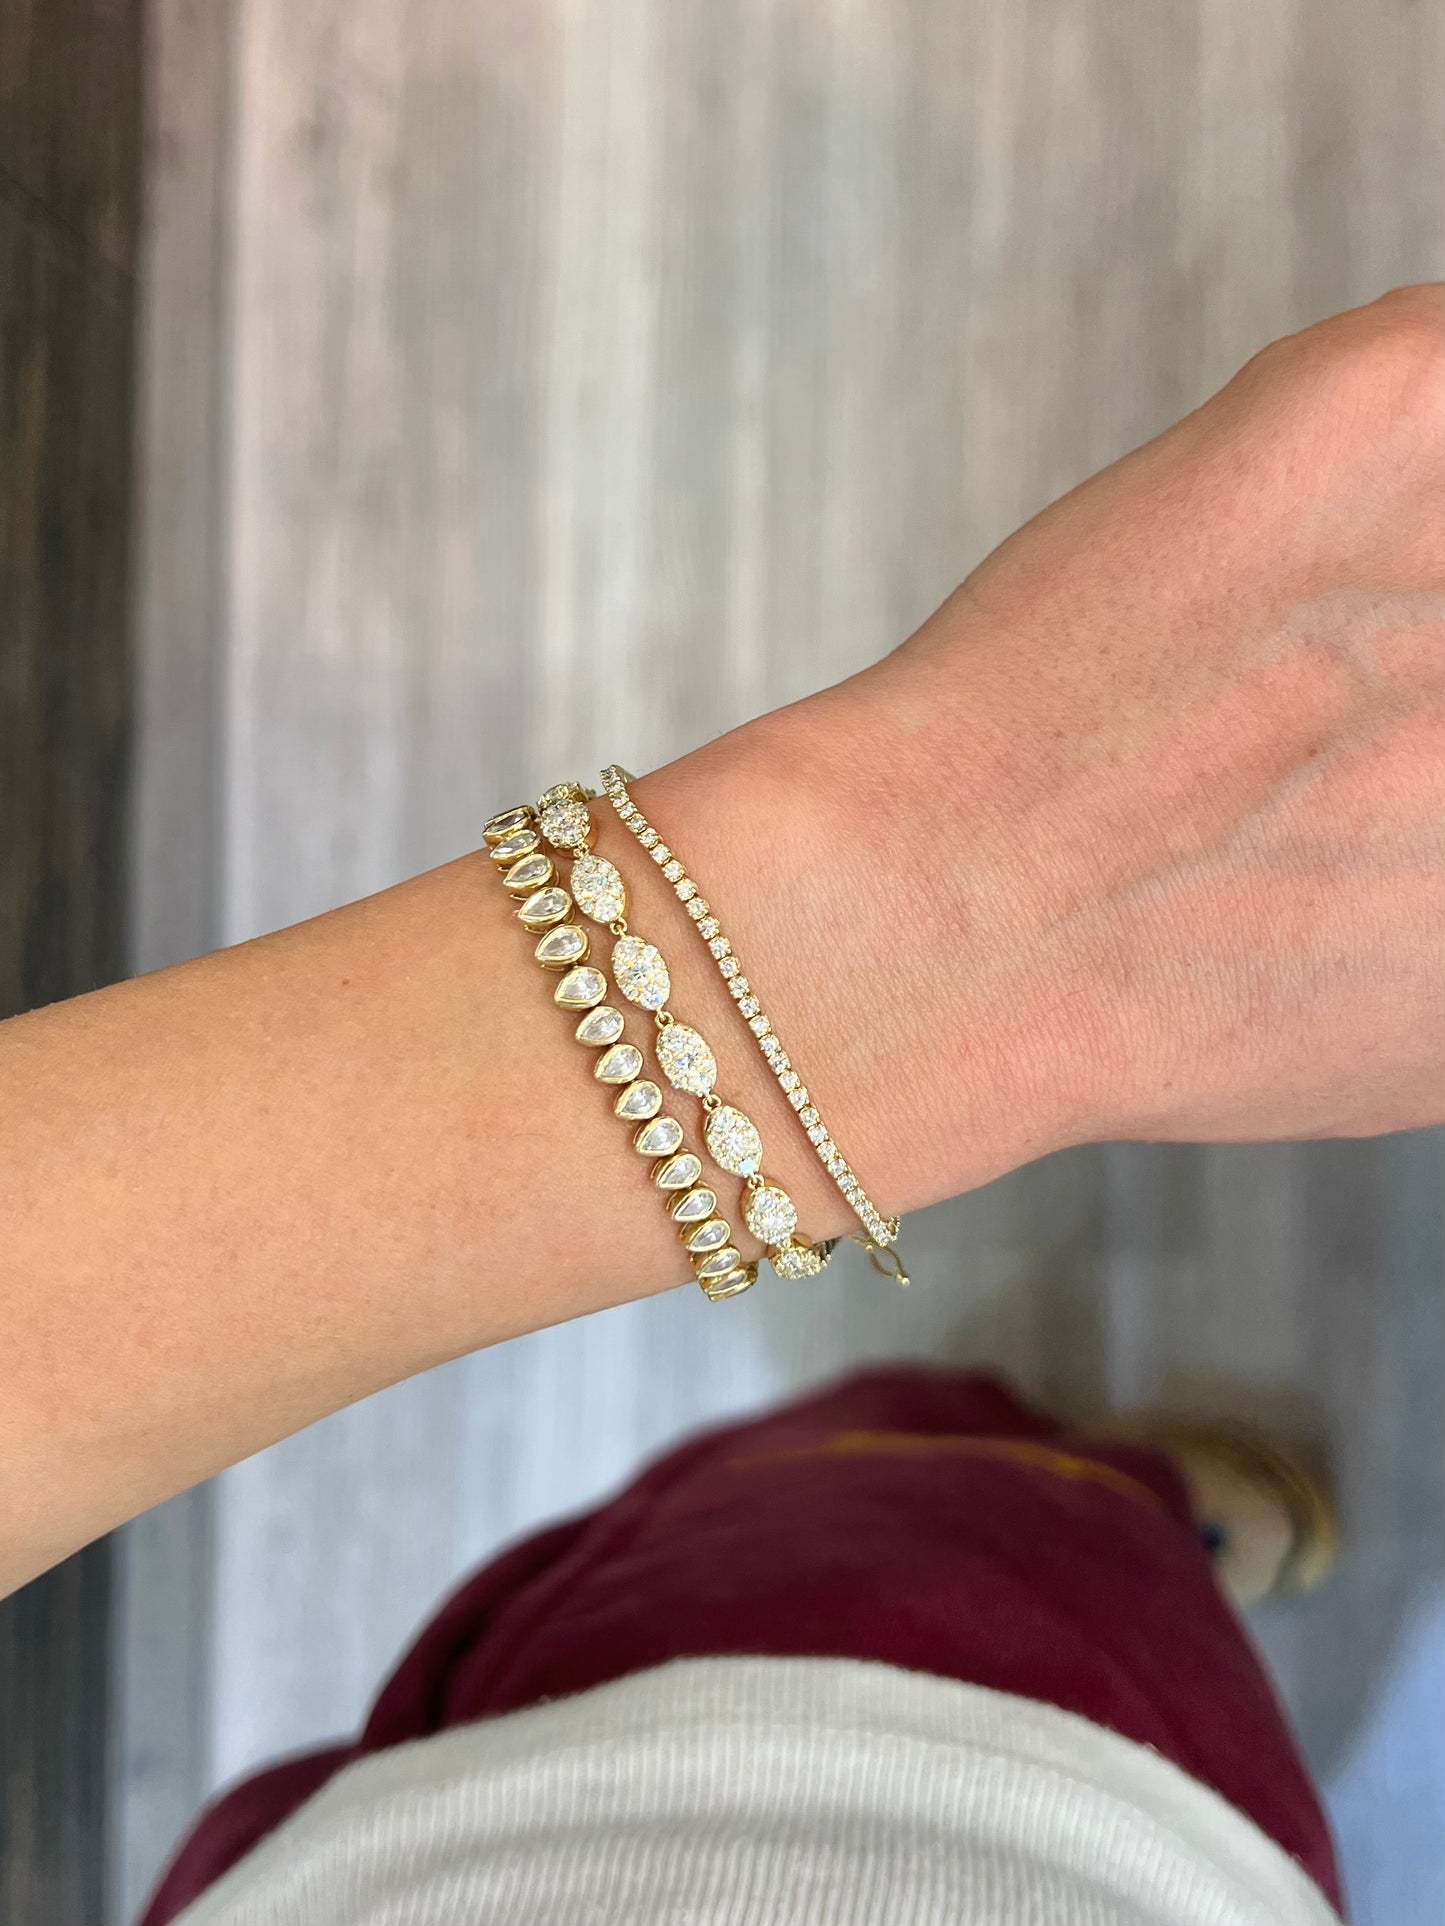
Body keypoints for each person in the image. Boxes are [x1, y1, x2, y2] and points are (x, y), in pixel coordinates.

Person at [3, 286, 1441, 1923]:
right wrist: (945, 918)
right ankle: (1116, 1517)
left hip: (498, 1802)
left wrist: (891, 921)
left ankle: (1096, 1504)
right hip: (1039, 1807)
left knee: (853, 1521)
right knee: (983, 1552)